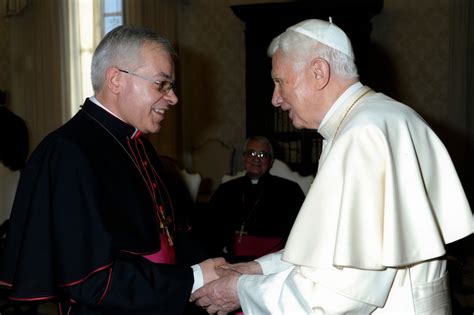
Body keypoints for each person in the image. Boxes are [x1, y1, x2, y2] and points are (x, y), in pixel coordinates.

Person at [191, 18, 474, 314]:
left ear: (318, 71)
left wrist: (241, 291)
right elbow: (331, 251)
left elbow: (337, 292)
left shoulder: (363, 134)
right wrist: (258, 269)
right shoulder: (374, 119)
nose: (275, 99)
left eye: (279, 81)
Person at [0, 25, 223, 315]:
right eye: (161, 84)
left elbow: (171, 236)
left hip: (160, 299)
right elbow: (90, 282)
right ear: (116, 80)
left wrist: (217, 271)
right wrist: (194, 278)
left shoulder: (136, 144)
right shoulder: (69, 152)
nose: (173, 98)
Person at [201, 136, 305, 263]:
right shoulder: (226, 189)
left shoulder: (290, 190)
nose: (256, 158)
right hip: (230, 260)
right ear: (244, 158)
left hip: (272, 263)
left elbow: (300, 234)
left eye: (263, 154)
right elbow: (209, 229)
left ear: (271, 161)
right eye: (251, 153)